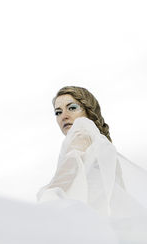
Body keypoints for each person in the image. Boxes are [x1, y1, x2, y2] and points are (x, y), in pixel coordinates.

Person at [36, 86, 147, 243]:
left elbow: (70, 168)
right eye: (58, 112)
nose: (64, 116)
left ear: (87, 110)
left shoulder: (81, 130)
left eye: (72, 108)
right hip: (113, 228)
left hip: (92, 226)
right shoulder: (102, 145)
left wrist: (49, 194)